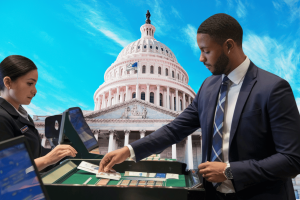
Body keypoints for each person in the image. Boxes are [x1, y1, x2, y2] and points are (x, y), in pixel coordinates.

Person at [98, 13, 300, 200]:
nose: (201, 58)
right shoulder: (208, 87)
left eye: (206, 51)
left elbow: (292, 159)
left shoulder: (273, 88)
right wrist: (128, 150)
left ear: (229, 46)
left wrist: (229, 171)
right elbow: (174, 129)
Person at [0, 55, 77, 171]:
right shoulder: (2, 117)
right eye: (30, 83)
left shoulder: (22, 115)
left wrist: (62, 153)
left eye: (35, 84)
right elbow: (9, 171)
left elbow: (36, 153)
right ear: (8, 82)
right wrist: (48, 159)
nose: (35, 91)